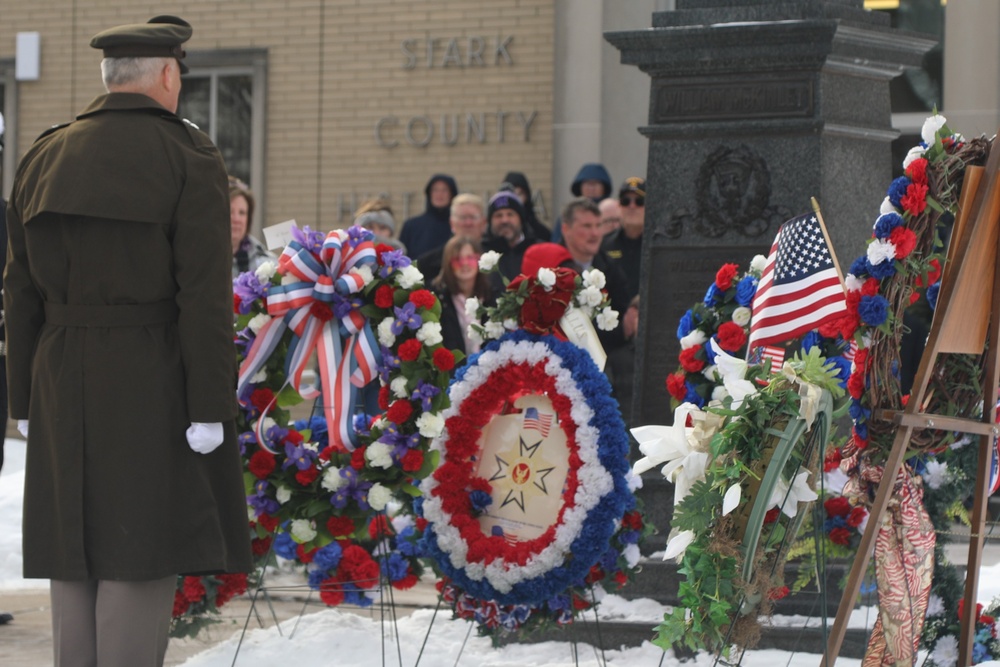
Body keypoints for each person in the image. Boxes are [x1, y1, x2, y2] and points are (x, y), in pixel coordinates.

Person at [4, 16, 253, 666]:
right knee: (138, 548)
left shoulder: (44, 152)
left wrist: (23, 395)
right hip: (149, 371)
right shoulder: (188, 156)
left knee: (74, 551)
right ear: (168, 75)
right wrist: (209, 403)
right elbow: (202, 294)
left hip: (60, 369)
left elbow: (19, 286)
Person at [560, 197, 630, 352]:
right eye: (587, 226)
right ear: (566, 229)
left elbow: (622, 319)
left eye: (598, 225)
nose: (595, 233)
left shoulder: (610, 267)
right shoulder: (552, 266)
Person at [431, 235, 492, 359]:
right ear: (448, 264)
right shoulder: (437, 299)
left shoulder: (492, 296)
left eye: (470, 258)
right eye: (457, 259)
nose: (464, 264)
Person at [415, 193, 487, 281]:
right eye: (463, 218)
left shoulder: (499, 260)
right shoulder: (427, 264)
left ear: (483, 223)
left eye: (473, 217)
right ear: (452, 223)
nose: (468, 223)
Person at [482, 190, 538, 290]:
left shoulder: (538, 250)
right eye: (498, 215)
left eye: (510, 214)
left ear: (521, 219)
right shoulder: (480, 252)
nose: (504, 220)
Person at [601, 177, 646, 300]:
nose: (632, 206)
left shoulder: (656, 245)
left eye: (639, 201)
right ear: (619, 206)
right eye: (625, 201)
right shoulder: (604, 245)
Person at [398, 173, 458, 259]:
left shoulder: (458, 226)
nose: (439, 194)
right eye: (435, 190)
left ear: (452, 194)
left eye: (444, 190)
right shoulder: (411, 226)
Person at [551, 162, 613, 244]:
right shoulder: (569, 214)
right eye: (587, 183)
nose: (591, 188)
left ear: (604, 187)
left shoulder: (611, 211)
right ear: (580, 187)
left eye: (595, 183)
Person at [230, 177, 275, 278]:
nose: (236, 219)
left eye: (242, 213)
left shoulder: (267, 263)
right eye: (230, 211)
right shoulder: (199, 258)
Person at [501, 171, 550, 241]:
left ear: (527, 196)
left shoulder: (539, 232)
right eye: (512, 193)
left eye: (520, 194)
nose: (516, 199)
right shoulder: (494, 231)